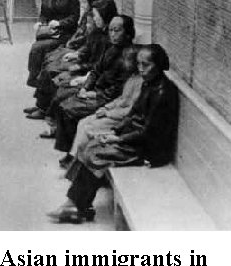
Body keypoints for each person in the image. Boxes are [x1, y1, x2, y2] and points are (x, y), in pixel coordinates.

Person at [47, 44, 178, 223]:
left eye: (146, 65)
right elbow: (133, 114)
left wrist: (118, 138)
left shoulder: (163, 92)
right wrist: (114, 131)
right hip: (135, 138)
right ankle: (78, 204)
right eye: (139, 64)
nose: (141, 69)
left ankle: (76, 206)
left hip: (150, 150)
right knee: (91, 145)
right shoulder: (150, 84)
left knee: (96, 151)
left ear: (160, 64)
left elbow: (149, 131)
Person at [48, 14, 135, 153]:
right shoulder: (111, 48)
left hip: (107, 99)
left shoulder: (128, 57)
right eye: (111, 30)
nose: (112, 34)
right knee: (64, 102)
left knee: (70, 109)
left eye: (117, 31)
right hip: (96, 91)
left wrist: (94, 94)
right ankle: (68, 149)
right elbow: (95, 70)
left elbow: (119, 88)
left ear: (128, 33)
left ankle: (71, 153)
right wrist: (86, 86)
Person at [27, 0, 117, 120]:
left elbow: (97, 65)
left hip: (88, 71)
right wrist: (78, 55)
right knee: (50, 64)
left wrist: (79, 66)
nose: (94, 19)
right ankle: (41, 105)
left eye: (97, 16)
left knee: (52, 72)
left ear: (105, 16)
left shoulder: (109, 39)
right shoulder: (98, 32)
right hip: (86, 64)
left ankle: (45, 109)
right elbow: (88, 49)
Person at [60, 45, 142, 169]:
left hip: (120, 119)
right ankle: (73, 155)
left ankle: (77, 163)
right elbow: (121, 98)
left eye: (128, 60)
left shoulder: (140, 82)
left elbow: (130, 109)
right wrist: (107, 108)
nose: (125, 63)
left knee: (89, 128)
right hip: (113, 112)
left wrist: (108, 113)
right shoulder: (131, 77)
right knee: (83, 122)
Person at [26, 0, 80, 87]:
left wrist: (59, 23)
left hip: (65, 33)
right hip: (50, 31)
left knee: (37, 48)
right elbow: (44, 13)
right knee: (36, 46)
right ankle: (37, 77)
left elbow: (74, 17)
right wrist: (40, 22)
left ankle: (35, 79)